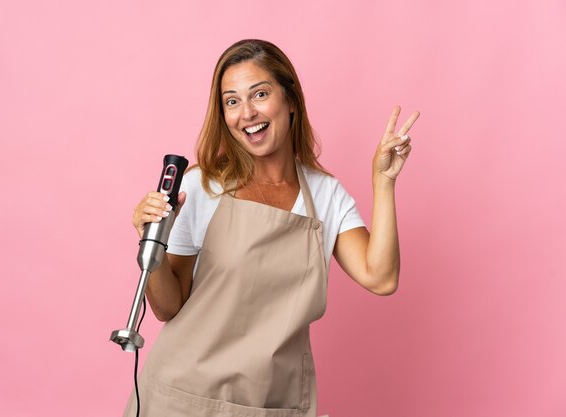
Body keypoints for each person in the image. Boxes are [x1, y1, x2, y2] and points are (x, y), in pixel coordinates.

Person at [124, 39, 419, 417]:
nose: (246, 112)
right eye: (231, 101)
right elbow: (167, 307)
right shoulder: (200, 187)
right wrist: (153, 241)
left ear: (290, 99)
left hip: (272, 404)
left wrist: (384, 182)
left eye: (259, 94)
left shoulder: (325, 195)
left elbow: (381, 277)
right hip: (183, 398)